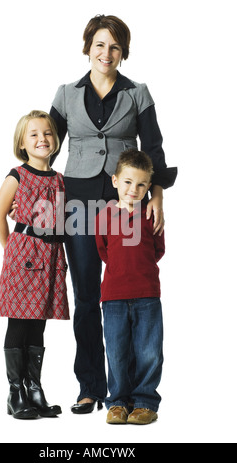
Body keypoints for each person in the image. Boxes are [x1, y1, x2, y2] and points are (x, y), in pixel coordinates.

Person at [48, 14, 177, 414]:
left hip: (128, 202)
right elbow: (46, 149)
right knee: (87, 295)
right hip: (79, 203)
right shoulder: (66, 93)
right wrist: (24, 189)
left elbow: (153, 148)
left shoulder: (138, 93)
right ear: (88, 47)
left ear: (124, 52)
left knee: (133, 290)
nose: (107, 53)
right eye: (100, 45)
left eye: (115, 46)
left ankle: (136, 396)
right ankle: (92, 386)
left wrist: (156, 195)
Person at [0, 110, 69, 420]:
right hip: (23, 256)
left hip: (50, 256)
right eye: (34, 134)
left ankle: (34, 388)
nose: (42, 139)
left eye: (47, 133)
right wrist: (10, 250)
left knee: (39, 323)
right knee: (19, 322)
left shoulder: (61, 180)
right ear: (22, 143)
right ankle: (15, 393)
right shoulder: (17, 176)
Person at [95, 149, 165, 425]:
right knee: (116, 349)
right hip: (113, 296)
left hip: (147, 294)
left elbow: (158, 249)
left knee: (148, 350)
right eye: (127, 182)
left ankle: (145, 401)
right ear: (115, 181)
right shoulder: (104, 216)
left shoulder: (151, 214)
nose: (133, 189)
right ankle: (118, 402)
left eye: (140, 184)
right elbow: (103, 250)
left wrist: (139, 270)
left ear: (148, 187)